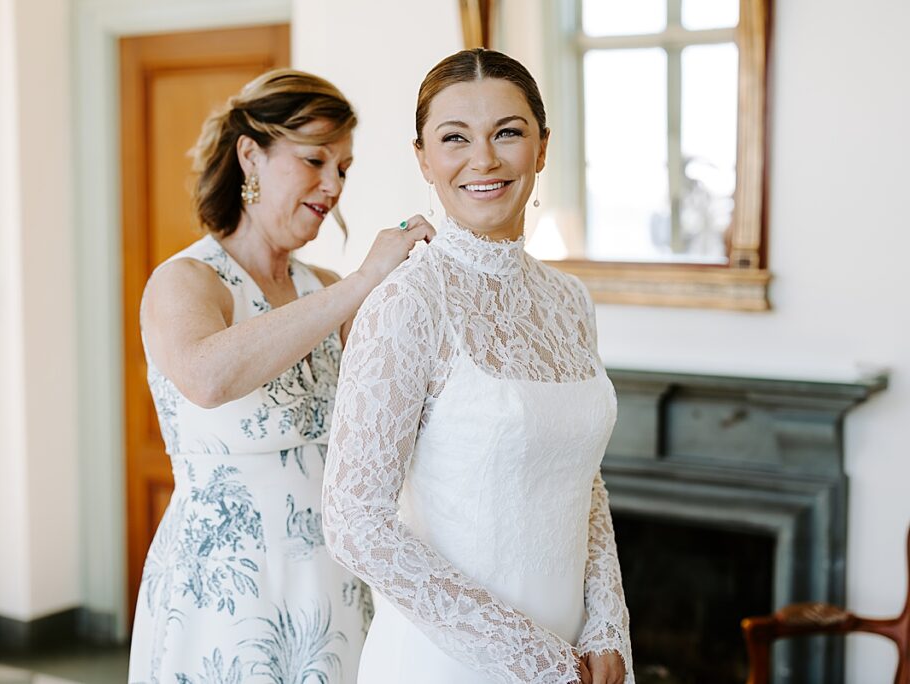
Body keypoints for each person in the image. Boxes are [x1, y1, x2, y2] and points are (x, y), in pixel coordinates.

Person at [322, 49, 633, 684]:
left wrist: (605, 624)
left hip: (578, 655)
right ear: (424, 159)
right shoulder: (407, 302)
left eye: (508, 133)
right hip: (449, 662)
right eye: (454, 138)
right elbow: (355, 522)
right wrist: (531, 657)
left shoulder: (569, 301)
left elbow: (584, 482)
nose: (483, 160)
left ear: (542, 147)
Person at [127, 69, 434, 684]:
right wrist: (363, 281)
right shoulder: (187, 280)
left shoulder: (321, 287)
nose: (332, 185)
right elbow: (208, 378)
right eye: (316, 160)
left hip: (332, 585)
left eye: (343, 169)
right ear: (251, 155)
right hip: (226, 587)